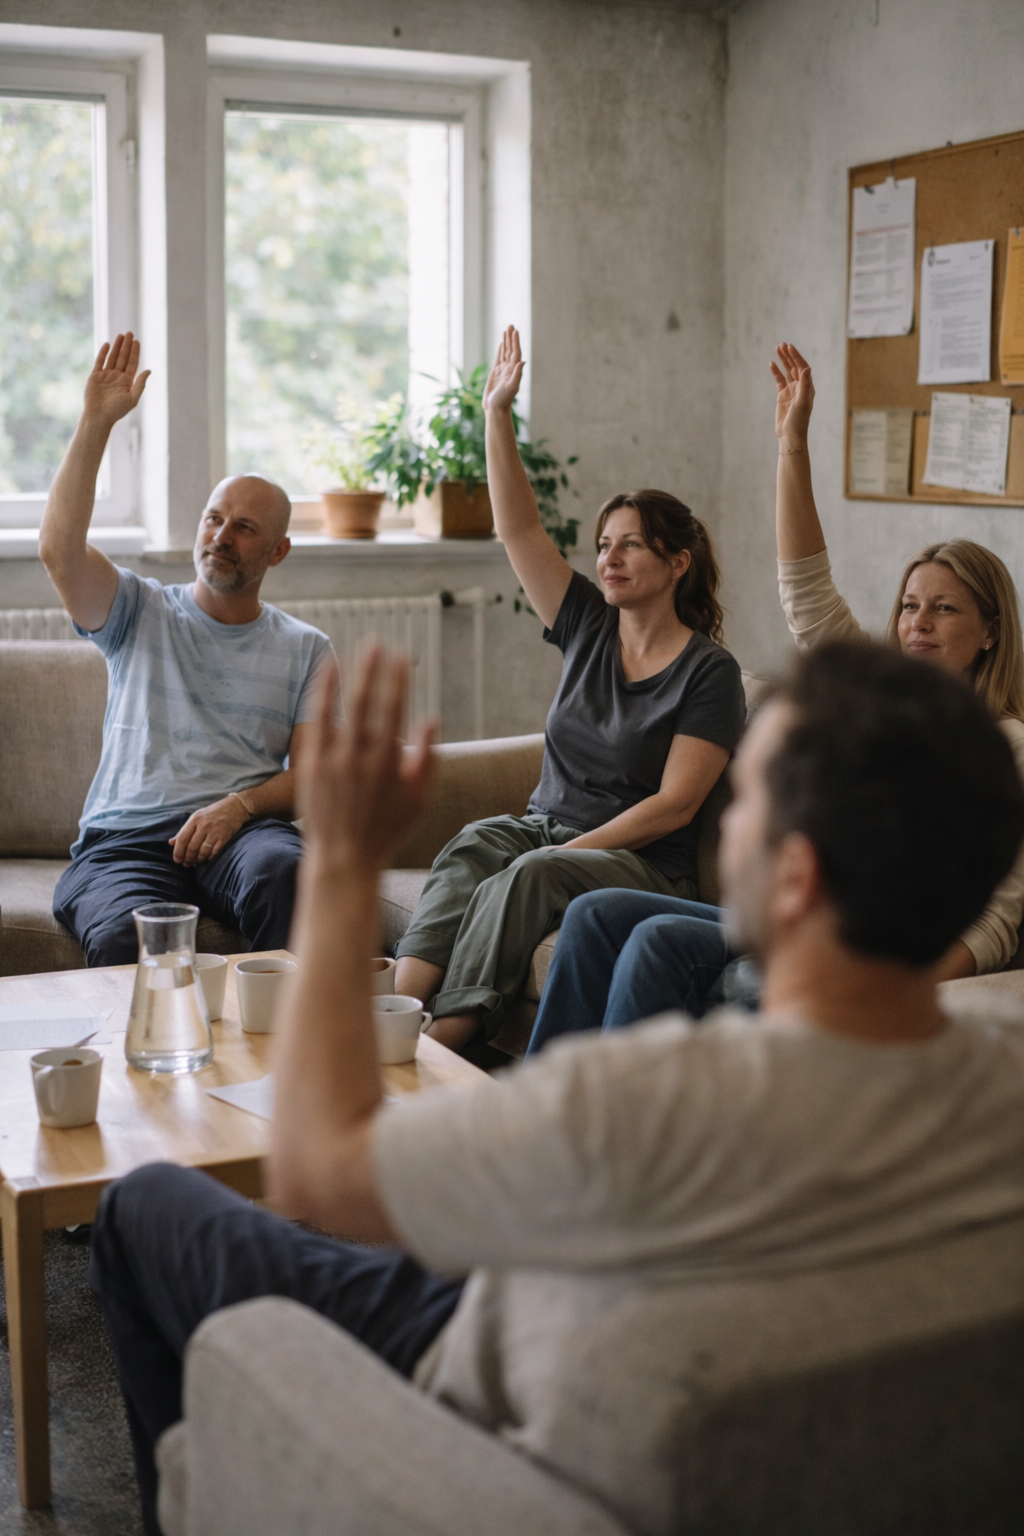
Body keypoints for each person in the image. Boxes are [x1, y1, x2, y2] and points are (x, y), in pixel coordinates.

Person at [90, 639, 1024, 1536]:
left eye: (745, 801)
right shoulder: (1004, 1080)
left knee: (142, 1205)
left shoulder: (650, 1106)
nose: (724, 818)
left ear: (794, 875)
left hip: (488, 1372)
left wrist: (339, 864)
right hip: (575, 1316)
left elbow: (315, 1167)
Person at [527, 342, 1024, 1053]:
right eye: (910, 605)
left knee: (662, 940)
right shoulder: (879, 699)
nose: (917, 622)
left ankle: (627, 1144)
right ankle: (556, 1110)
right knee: (598, 914)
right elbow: (808, 593)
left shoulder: (1007, 745)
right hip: (812, 921)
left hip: (870, 948)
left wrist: (898, 990)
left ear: (989, 632)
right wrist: (792, 446)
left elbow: (998, 919)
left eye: (944, 610)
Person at [395, 325, 746, 1054]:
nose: (608, 558)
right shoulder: (587, 621)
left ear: (678, 562)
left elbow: (674, 806)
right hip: (547, 825)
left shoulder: (709, 672)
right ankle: (392, 1015)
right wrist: (497, 413)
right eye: (603, 544)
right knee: (472, 846)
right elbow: (517, 527)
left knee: (527, 874)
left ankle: (449, 1040)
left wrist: (569, 847)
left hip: (641, 862)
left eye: (630, 544)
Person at [42, 333, 334, 966]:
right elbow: (60, 550)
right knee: (126, 938)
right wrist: (95, 423)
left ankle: (281, 1057)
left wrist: (240, 806)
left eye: (244, 527)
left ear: (277, 551)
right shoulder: (138, 610)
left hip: (244, 833)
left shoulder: (307, 648)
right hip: (126, 841)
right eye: (213, 518)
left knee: (289, 873)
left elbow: (313, 777)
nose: (221, 536)